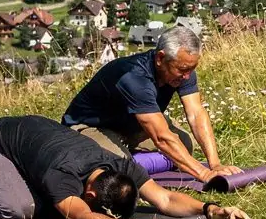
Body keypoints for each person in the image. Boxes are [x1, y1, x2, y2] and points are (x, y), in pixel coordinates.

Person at [0, 116, 249, 219]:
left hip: (37, 140)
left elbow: (165, 198)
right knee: (19, 210)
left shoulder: (120, 166)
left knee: (40, 201)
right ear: (90, 196)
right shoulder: (62, 176)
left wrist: (211, 209)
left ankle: (7, 176)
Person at [62, 23, 240, 184]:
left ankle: (131, 159)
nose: (187, 76)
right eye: (183, 70)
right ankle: (126, 161)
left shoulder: (183, 69)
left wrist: (215, 164)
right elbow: (162, 138)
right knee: (119, 170)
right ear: (160, 58)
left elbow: (196, 113)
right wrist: (203, 174)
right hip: (89, 127)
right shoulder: (133, 78)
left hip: (130, 126)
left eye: (192, 69)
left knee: (186, 144)